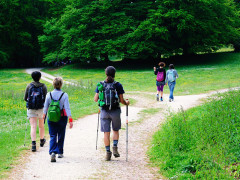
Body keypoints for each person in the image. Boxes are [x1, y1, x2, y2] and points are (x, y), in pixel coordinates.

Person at [94, 66, 130, 161]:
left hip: (104, 111)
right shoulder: (118, 85)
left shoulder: (100, 85)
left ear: (106, 73)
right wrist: (127, 103)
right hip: (115, 111)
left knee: (106, 132)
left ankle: (107, 153)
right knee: (115, 130)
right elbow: (121, 100)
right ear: (114, 74)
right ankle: (114, 147)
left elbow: (95, 99)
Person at [43, 77, 73, 162]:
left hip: (51, 117)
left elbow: (45, 107)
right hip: (62, 117)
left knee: (52, 135)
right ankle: (60, 152)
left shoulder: (49, 94)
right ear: (61, 84)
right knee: (61, 134)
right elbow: (67, 107)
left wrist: (44, 115)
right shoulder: (64, 95)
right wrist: (70, 118)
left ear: (53, 84)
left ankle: (52, 152)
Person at [24, 71, 47, 152]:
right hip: (41, 108)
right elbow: (45, 98)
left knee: (33, 126)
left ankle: (33, 144)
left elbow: (25, 98)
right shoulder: (43, 86)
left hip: (31, 109)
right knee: (41, 126)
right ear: (40, 77)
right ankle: (41, 140)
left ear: (32, 77)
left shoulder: (29, 86)